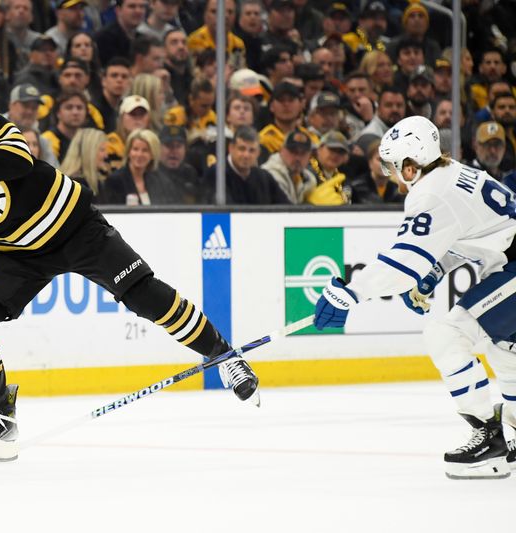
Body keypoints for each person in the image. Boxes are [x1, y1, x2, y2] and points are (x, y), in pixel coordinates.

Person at [0, 102, 259, 461]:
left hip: (75, 226)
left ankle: (225, 356)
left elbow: (17, 159)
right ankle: (1, 416)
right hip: (19, 255)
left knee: (145, 296)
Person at [312, 115, 516, 479]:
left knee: (446, 333)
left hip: (510, 270)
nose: (392, 174)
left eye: (393, 167)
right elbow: (476, 235)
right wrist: (433, 274)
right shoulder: (453, 172)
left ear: (411, 165)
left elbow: (402, 261)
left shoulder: (430, 192)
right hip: (507, 265)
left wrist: (350, 292)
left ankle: (489, 436)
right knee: (505, 350)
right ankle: (507, 442)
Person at [205, 126, 290, 205]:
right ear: (231, 148)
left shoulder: (264, 178)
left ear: (258, 153)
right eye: (242, 149)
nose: (246, 155)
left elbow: (288, 209)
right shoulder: (216, 174)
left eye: (252, 150)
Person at [103, 128, 183, 205]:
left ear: (152, 154)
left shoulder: (160, 181)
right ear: (129, 152)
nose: (139, 154)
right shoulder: (115, 181)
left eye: (145, 150)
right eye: (135, 149)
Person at [261, 130, 316, 204]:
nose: (298, 158)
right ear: (281, 150)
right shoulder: (269, 174)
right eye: (293, 152)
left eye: (303, 153)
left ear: (309, 156)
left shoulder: (308, 178)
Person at [59, 127, 110, 203]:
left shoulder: (97, 181)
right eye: (102, 150)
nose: (106, 155)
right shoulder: (75, 187)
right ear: (89, 152)